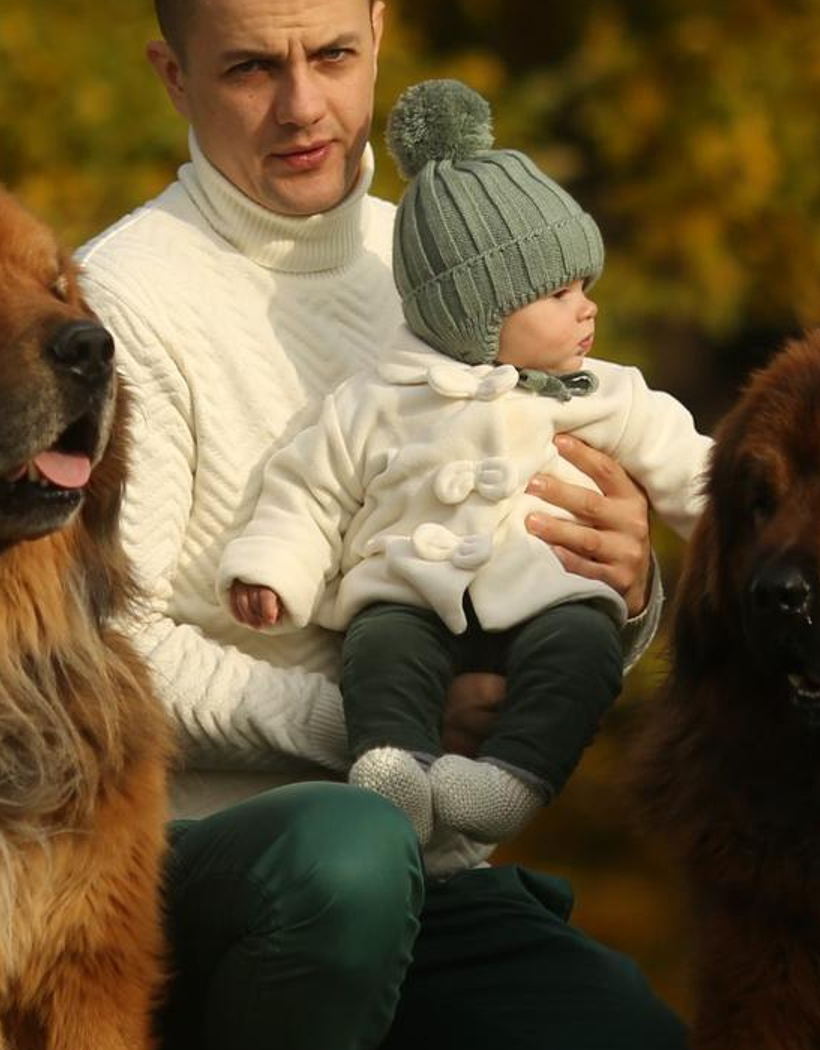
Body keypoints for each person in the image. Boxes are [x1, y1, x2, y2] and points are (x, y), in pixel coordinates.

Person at [79, 0, 694, 1050]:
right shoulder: (118, 303)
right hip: (200, 887)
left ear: (381, 34)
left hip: (431, 875)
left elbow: (549, 540)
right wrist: (369, 736)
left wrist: (629, 590)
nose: (302, 107)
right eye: (248, 68)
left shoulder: (454, 266)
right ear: (173, 69)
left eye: (332, 55)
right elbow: (101, 662)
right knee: (346, 849)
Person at [220, 76, 709, 852]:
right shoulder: (377, 398)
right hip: (411, 594)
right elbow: (308, 488)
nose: (587, 309)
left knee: (583, 654)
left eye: (586, 285)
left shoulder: (604, 393)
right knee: (380, 651)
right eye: (557, 293)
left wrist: (742, 521)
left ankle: (511, 780)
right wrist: (273, 568)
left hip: (551, 598)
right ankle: (393, 772)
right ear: (473, 314)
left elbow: (692, 467)